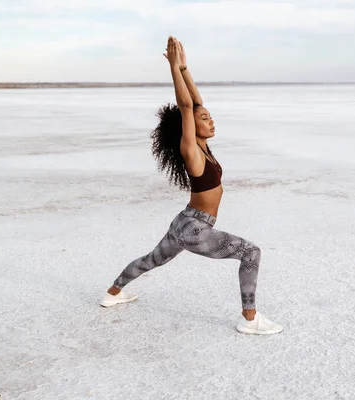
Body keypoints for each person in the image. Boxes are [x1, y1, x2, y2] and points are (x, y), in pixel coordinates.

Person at [100, 36, 283, 335]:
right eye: (204, 119)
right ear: (189, 126)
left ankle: (113, 293)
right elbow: (187, 105)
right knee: (251, 253)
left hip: (183, 222)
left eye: (211, 117)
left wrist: (185, 69)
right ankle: (250, 319)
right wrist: (173, 67)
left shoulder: (203, 148)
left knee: (152, 260)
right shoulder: (191, 151)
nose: (211, 121)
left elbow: (195, 102)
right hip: (196, 229)